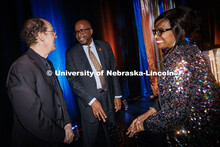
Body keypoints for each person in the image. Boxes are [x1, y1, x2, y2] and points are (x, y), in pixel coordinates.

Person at [126, 7, 220, 146]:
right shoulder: (189, 49)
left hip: (195, 132)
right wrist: (150, 112)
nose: (156, 36)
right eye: (155, 32)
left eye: (161, 32)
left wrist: (144, 125)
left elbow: (175, 113)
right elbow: (173, 96)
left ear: (179, 31)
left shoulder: (180, 60)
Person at [6, 18, 74, 147]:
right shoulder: (21, 67)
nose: (56, 35)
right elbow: (32, 118)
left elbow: (59, 97)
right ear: (41, 36)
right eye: (52, 32)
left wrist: (67, 124)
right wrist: (61, 135)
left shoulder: (48, 63)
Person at [66, 19, 122, 147]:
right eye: (76, 32)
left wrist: (117, 95)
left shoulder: (105, 46)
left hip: (108, 99)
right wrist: (91, 101)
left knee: (112, 137)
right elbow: (73, 80)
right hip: (89, 105)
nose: (79, 35)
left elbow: (113, 71)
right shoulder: (71, 54)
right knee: (90, 141)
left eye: (82, 30)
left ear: (91, 31)